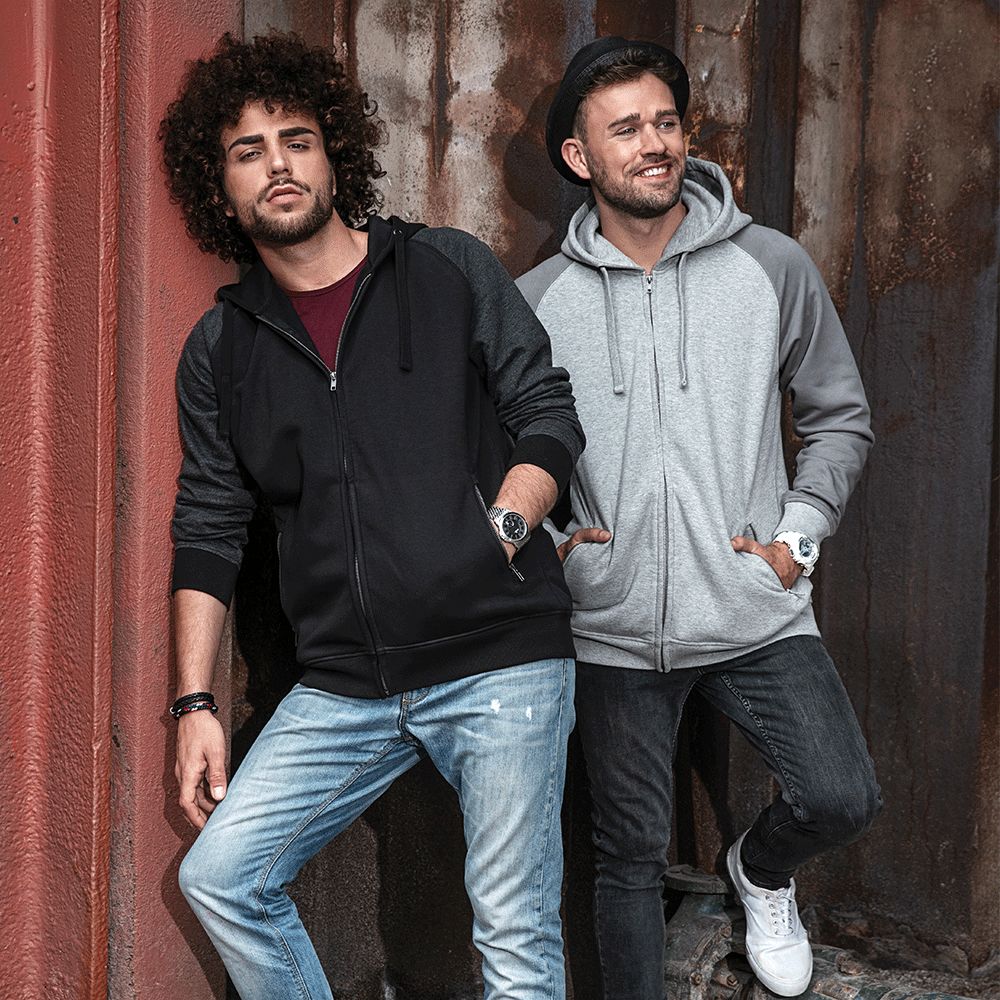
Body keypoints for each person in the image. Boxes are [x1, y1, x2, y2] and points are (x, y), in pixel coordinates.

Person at [160, 32, 584, 1000]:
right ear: (219, 187)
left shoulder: (445, 268)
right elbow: (209, 528)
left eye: (296, 140)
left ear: (333, 153)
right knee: (222, 877)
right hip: (347, 682)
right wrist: (193, 705)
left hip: (499, 657)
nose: (277, 164)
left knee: (514, 937)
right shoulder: (221, 348)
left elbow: (548, 416)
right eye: (247, 150)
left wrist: (496, 538)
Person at [518, 36, 882, 1000]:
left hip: (754, 608)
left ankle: (758, 870)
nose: (654, 144)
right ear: (578, 156)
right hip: (611, 627)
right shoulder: (537, 303)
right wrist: (556, 549)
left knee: (842, 795)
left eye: (666, 122)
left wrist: (796, 539)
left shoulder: (770, 265)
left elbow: (839, 415)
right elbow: (490, 461)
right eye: (625, 128)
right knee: (627, 859)